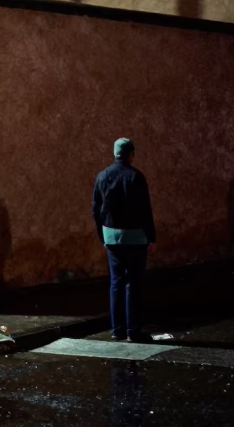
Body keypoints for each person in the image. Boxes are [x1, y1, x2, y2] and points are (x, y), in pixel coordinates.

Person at [92, 137, 156, 342]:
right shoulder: (136, 177)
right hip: (136, 237)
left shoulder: (102, 176)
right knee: (133, 284)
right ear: (131, 154)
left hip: (112, 237)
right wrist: (151, 237)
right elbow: (146, 210)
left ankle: (116, 329)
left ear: (114, 153)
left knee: (116, 282)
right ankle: (133, 330)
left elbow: (96, 209)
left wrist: (102, 234)